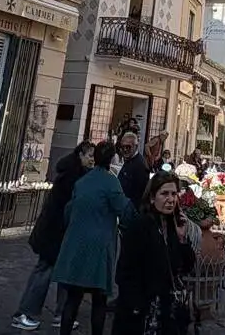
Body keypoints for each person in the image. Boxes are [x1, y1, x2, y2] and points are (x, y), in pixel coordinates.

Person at [13, 141, 94, 330]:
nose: (92, 160)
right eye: (90, 156)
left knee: (64, 272)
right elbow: (65, 208)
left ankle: (62, 313)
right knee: (45, 271)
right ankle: (25, 313)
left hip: (59, 232)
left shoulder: (73, 173)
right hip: (54, 232)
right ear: (80, 154)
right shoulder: (71, 177)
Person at [55, 142, 132, 335]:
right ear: (112, 159)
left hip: (76, 242)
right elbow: (124, 211)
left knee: (73, 299)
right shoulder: (111, 181)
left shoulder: (83, 181)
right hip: (99, 246)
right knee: (99, 300)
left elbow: (69, 211)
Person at [112, 173, 196, 335]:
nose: (171, 199)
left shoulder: (175, 227)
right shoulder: (140, 226)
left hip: (167, 311)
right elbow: (125, 272)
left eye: (174, 194)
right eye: (164, 194)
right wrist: (135, 306)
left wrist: (182, 239)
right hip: (142, 313)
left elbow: (186, 266)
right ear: (152, 198)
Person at [117, 130, 149, 207]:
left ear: (136, 146)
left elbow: (140, 194)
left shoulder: (140, 165)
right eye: (122, 147)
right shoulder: (130, 159)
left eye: (128, 147)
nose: (125, 150)